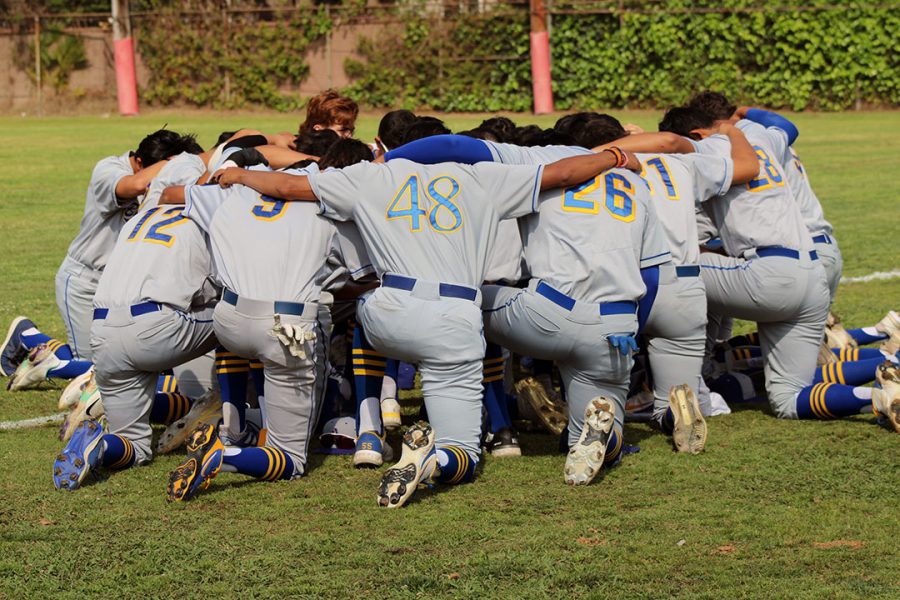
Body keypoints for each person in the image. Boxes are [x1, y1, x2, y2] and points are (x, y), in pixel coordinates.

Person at [211, 144, 639, 504]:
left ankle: (370, 427)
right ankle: (439, 458)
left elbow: (287, 186)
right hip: (454, 317)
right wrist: (616, 155)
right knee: (464, 453)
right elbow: (564, 173)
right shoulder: (482, 177)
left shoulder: (370, 176)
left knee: (363, 310)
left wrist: (240, 178)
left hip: (388, 312)